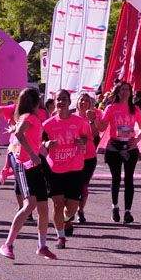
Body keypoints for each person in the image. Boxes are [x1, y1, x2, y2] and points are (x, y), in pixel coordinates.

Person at [0, 88, 55, 261]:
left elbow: (22, 134)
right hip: (25, 165)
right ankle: (7, 244)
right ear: (35, 102)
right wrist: (31, 153)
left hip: (34, 164)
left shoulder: (32, 117)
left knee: (43, 208)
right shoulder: (29, 117)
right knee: (29, 205)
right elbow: (19, 133)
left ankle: (42, 246)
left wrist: (41, 149)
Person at [42, 90, 92, 243]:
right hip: (55, 169)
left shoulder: (79, 122)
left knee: (72, 207)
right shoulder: (47, 124)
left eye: (64, 99)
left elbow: (87, 137)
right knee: (57, 204)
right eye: (58, 99)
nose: (61, 102)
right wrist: (46, 143)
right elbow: (39, 142)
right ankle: (60, 236)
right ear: (55, 103)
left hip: (75, 168)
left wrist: (82, 141)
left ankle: (65, 220)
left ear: (70, 102)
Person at [102, 82, 141, 225]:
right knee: (116, 178)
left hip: (130, 146)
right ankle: (115, 207)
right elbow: (102, 126)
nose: (125, 92)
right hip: (114, 146)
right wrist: (94, 117)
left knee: (129, 179)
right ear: (117, 92)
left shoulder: (135, 109)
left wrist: (136, 140)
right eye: (122, 90)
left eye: (128, 89)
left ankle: (128, 211)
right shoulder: (111, 108)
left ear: (131, 93)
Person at [75, 93, 103, 224]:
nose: (83, 103)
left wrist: (92, 120)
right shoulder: (70, 116)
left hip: (89, 156)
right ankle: (69, 210)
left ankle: (80, 211)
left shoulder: (93, 116)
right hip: (72, 156)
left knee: (84, 186)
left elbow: (95, 134)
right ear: (77, 102)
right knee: (72, 186)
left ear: (90, 104)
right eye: (81, 100)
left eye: (86, 101)